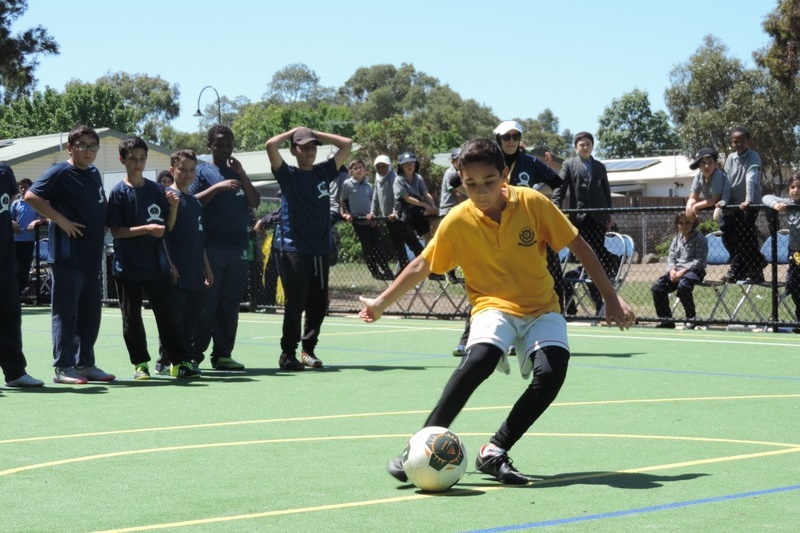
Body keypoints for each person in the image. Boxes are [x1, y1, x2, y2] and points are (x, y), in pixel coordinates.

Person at [359, 139, 635, 485]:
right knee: (479, 360)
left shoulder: (533, 203)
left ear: (504, 174)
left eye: (489, 181)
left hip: (541, 306)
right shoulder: (458, 220)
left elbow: (579, 245)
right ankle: (419, 444)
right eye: (471, 184)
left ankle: (495, 450)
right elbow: (422, 264)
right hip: (492, 305)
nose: (481, 191)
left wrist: (610, 297)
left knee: (552, 373)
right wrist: (380, 303)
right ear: (460, 179)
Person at [25, 125, 116, 384]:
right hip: (66, 256)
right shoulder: (60, 172)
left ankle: (85, 364)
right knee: (66, 313)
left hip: (90, 254)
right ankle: (64, 367)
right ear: (71, 148)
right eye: (83, 146)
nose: (88, 151)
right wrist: (61, 220)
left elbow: (100, 202)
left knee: (90, 313)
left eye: (93, 146)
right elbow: (32, 196)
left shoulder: (95, 172)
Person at [106, 137, 200, 379]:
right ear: (122, 160)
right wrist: (145, 229)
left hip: (155, 266)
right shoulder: (118, 193)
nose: (138, 164)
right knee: (131, 317)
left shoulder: (156, 190)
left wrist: (175, 208)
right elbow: (116, 231)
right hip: (127, 267)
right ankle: (141, 365)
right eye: (132, 159)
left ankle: (178, 363)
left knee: (169, 315)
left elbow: (166, 227)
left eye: (142, 159)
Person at [265, 126, 353, 371]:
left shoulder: (324, 172)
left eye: (313, 147)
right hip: (293, 248)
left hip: (320, 249)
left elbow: (347, 143)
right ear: (294, 150)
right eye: (304, 147)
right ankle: (287, 353)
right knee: (296, 302)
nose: (310, 151)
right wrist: (294, 131)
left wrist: (315, 134)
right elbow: (271, 145)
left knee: (317, 303)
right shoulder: (288, 174)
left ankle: (308, 350)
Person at [190, 125, 260, 371]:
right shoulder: (202, 171)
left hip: (239, 247)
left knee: (230, 305)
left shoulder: (237, 171)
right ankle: (193, 356)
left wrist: (242, 175)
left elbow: (254, 201)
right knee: (207, 305)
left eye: (228, 144)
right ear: (209, 145)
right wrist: (217, 188)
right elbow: (192, 202)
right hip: (212, 248)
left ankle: (223, 355)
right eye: (219, 144)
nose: (224, 148)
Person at [154, 149, 214, 374]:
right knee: (173, 317)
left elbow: (200, 239)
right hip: (175, 271)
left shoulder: (195, 202)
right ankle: (165, 360)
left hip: (194, 271)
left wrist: (207, 268)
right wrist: (169, 263)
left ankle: (185, 358)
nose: (188, 174)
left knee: (191, 318)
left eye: (192, 169)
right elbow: (164, 234)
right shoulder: (166, 197)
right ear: (172, 170)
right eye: (182, 169)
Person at [552, 131, 616, 315]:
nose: (585, 147)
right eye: (581, 144)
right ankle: (571, 308)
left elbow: (606, 192)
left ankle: (601, 306)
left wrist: (609, 214)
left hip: (598, 220)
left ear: (592, 146)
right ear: (575, 147)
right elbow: (559, 189)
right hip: (579, 221)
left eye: (588, 144)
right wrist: (555, 208)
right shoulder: (569, 164)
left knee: (596, 262)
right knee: (584, 261)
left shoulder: (600, 167)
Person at [0, 163, 44, 387]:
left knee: (10, 315)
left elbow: (12, 200)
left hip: (5, 261)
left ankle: (15, 372)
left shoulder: (3, 172)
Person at [722, 127, 766, 283]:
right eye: (735, 141)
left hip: (750, 203)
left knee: (744, 235)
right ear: (732, 142)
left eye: (742, 140)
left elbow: (751, 178)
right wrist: (725, 201)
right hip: (734, 205)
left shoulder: (753, 156)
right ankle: (757, 261)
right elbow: (727, 182)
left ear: (748, 141)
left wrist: (748, 200)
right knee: (728, 236)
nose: (739, 143)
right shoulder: (730, 158)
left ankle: (742, 270)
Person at [651, 213, 708, 329]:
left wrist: (683, 271)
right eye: (680, 223)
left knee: (684, 286)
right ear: (677, 225)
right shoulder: (676, 240)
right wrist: (671, 270)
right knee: (657, 288)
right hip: (676, 272)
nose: (684, 226)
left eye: (688, 222)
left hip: (694, 271)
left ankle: (691, 318)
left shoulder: (700, 239)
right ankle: (666, 320)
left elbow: (700, 260)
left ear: (694, 223)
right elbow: (671, 258)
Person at [340, 158, 394, 281]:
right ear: (351, 171)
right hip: (359, 221)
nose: (359, 170)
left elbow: (375, 202)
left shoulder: (369, 186)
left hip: (372, 220)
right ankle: (374, 271)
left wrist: (374, 215)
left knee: (378, 245)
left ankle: (386, 270)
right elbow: (343, 201)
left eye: (361, 167)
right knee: (368, 246)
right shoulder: (347, 184)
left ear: (365, 169)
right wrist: (346, 214)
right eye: (355, 168)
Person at [394, 151, 441, 279]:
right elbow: (407, 198)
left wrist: (432, 205)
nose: (409, 166)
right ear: (401, 167)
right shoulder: (399, 179)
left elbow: (425, 193)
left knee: (429, 234)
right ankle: (407, 269)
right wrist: (425, 206)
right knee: (414, 246)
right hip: (405, 209)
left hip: (418, 208)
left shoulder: (418, 178)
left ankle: (432, 268)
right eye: (406, 164)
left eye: (412, 163)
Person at [762, 174, 800, 332]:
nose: (795, 190)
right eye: (792, 187)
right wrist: (775, 205)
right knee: (793, 285)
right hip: (796, 252)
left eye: (799, 187)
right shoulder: (789, 203)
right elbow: (766, 197)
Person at [371, 155, 409, 275]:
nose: (381, 169)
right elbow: (375, 198)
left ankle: (406, 267)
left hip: (397, 217)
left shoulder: (394, 178)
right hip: (388, 218)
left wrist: (394, 212)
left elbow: (397, 197)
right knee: (396, 243)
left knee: (403, 242)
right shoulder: (377, 179)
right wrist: (373, 212)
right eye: (379, 167)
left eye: (384, 166)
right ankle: (403, 267)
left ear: (389, 166)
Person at [10, 178, 46, 295]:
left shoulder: (35, 203)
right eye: (21, 187)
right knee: (14, 268)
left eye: (25, 187)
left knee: (25, 268)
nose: (23, 190)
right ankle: (13, 293)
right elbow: (9, 217)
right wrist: (13, 223)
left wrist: (36, 222)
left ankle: (18, 293)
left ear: (30, 188)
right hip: (15, 240)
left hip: (29, 240)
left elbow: (46, 217)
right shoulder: (16, 203)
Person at [440, 147, 467, 285]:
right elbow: (459, 195)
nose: (460, 161)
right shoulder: (452, 174)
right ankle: (449, 270)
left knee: (462, 242)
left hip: (458, 211)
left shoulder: (463, 172)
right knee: (455, 243)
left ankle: (460, 269)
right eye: (457, 159)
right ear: (452, 161)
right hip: (449, 210)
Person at [685, 147, 730, 224]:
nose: (707, 166)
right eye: (703, 163)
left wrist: (695, 206)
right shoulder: (698, 176)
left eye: (710, 162)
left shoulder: (717, 174)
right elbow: (693, 197)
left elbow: (714, 200)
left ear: (715, 164)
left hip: (730, 210)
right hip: (719, 212)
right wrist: (689, 206)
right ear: (699, 165)